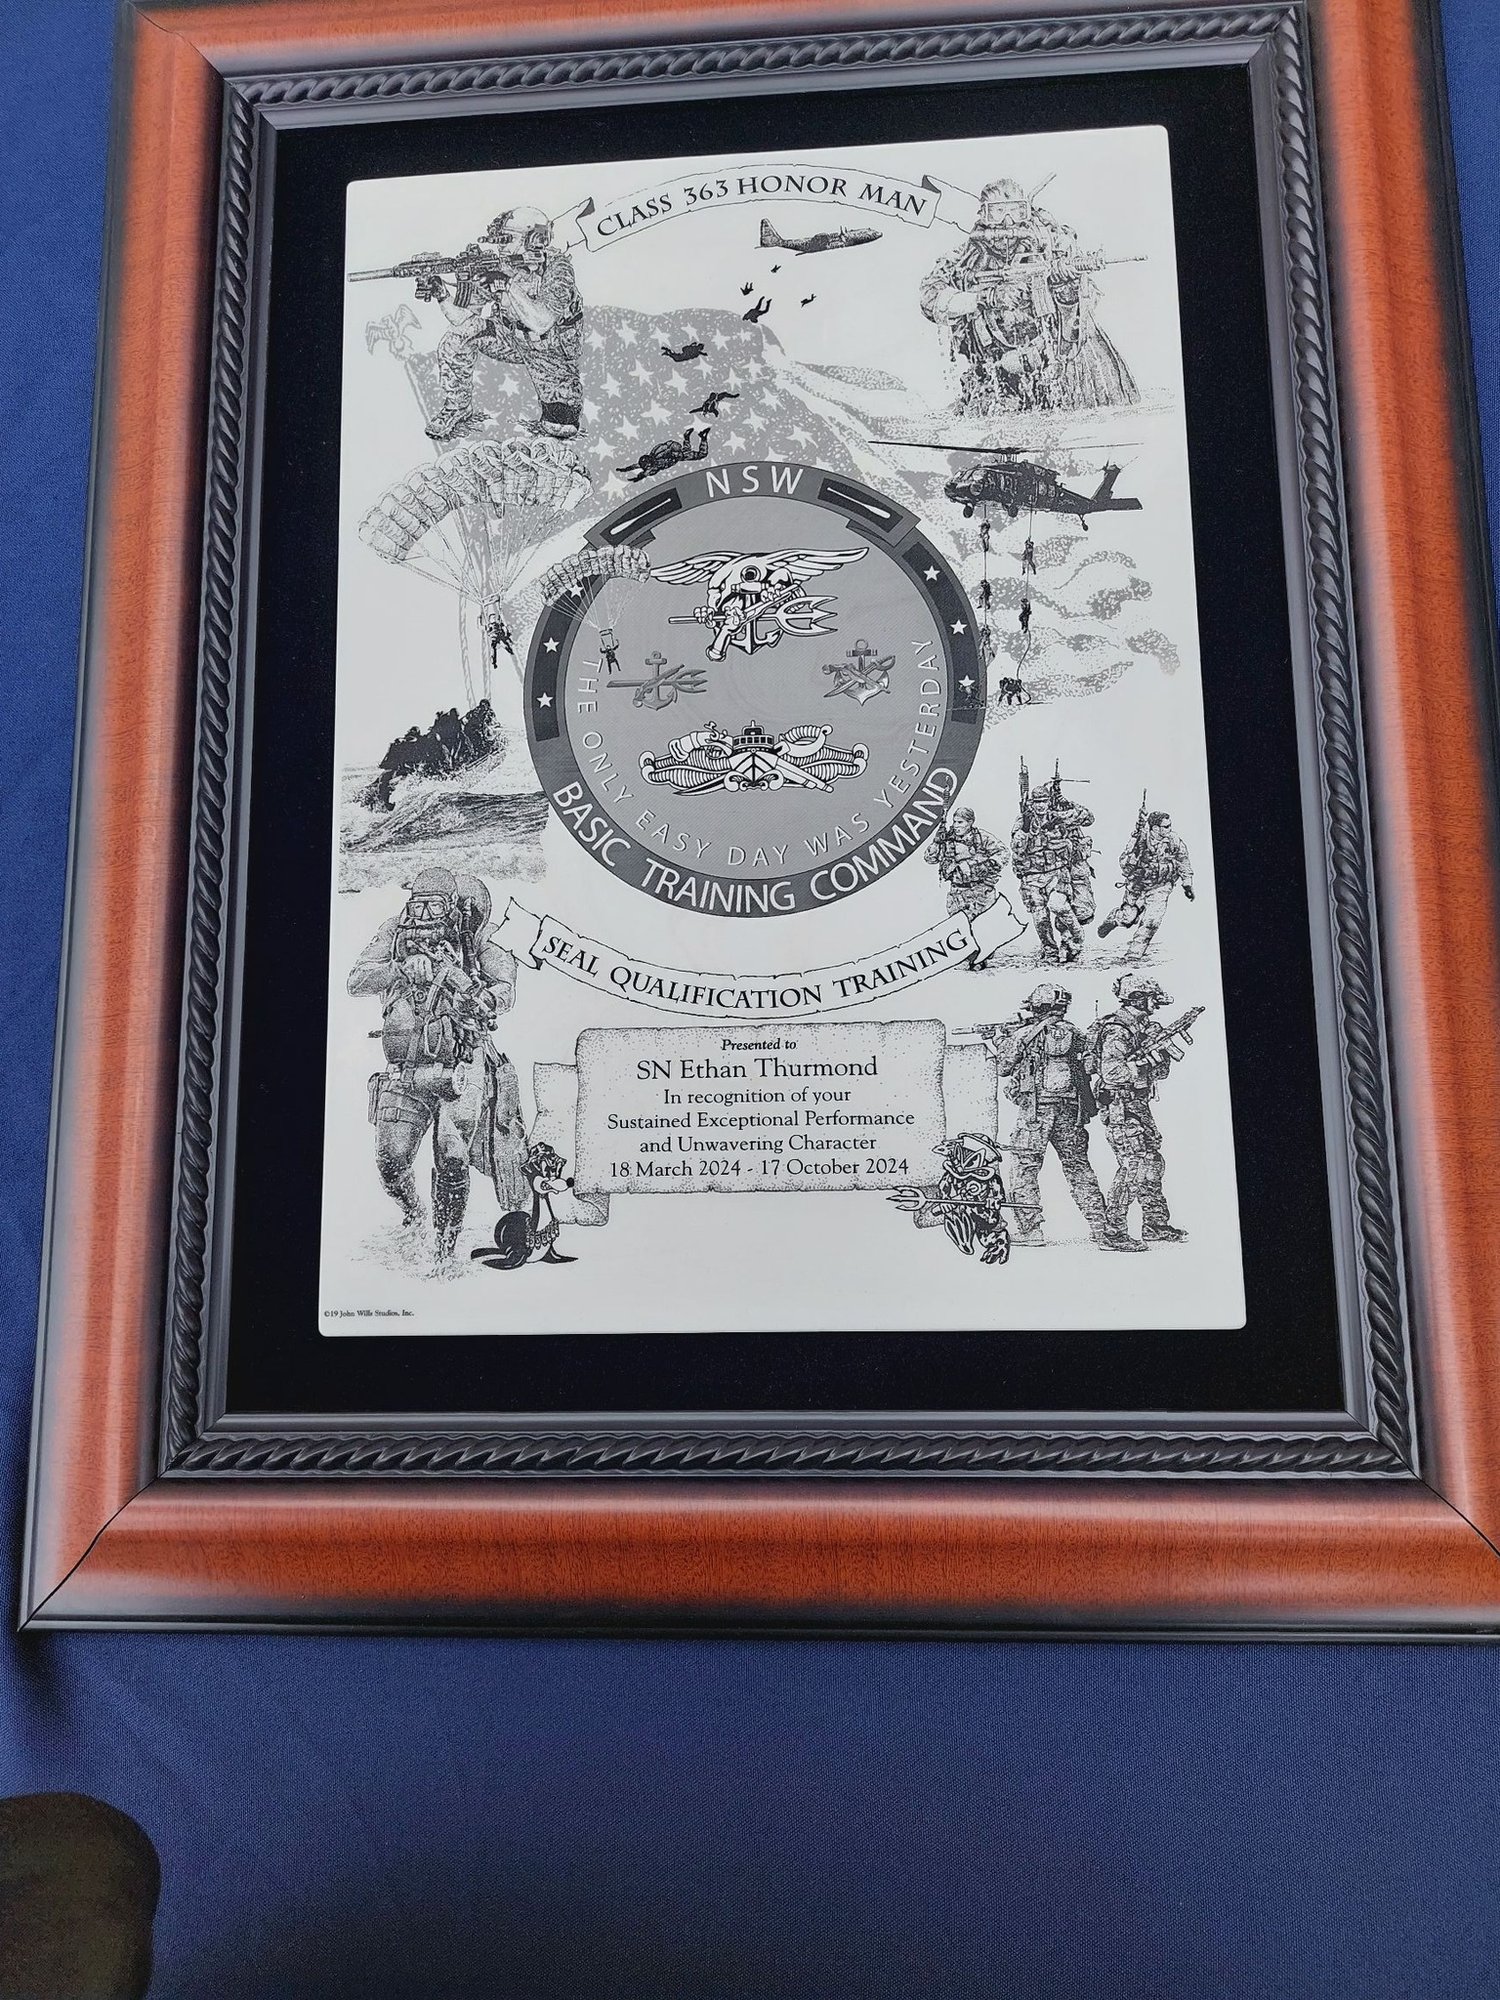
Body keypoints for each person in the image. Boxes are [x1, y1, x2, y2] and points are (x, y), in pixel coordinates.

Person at [348, 868, 528, 1262]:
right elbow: (356, 980)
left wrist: (474, 990)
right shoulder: (394, 932)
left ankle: (445, 1251)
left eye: (435, 906)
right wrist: (400, 968)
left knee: (451, 1154)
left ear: (454, 906)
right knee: (391, 1162)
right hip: (406, 1067)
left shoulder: (478, 936)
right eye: (418, 905)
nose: (425, 914)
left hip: (463, 1061)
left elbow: (505, 988)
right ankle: (413, 1210)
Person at [980, 986, 1140, 1251]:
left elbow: (1003, 1067)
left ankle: (1031, 1230)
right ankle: (1102, 1231)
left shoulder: (1024, 1034)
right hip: (1071, 1111)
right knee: (1079, 1168)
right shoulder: (1076, 1033)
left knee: (1024, 1168)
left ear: (1036, 1007)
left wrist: (999, 1040)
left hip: (1034, 1113)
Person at [424, 206, 584, 442]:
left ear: (535, 239)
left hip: (550, 348)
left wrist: (508, 284)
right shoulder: (499, 264)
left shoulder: (557, 268)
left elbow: (542, 322)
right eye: (499, 240)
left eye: (507, 239)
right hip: (509, 337)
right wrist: (441, 295)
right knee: (457, 337)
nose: (501, 246)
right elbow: (462, 319)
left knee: (560, 426)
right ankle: (457, 406)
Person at [1088, 972, 1192, 1244]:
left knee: (1152, 1162)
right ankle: (1113, 1232)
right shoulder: (1117, 1030)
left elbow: (1160, 1073)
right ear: (1137, 999)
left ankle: (1155, 1224)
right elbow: (1112, 1073)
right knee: (1133, 1165)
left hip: (1138, 1104)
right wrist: (1143, 1063)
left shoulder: (1143, 1027)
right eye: (1151, 999)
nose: (1155, 1004)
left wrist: (1159, 1056)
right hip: (1119, 1105)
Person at [1012, 765, 1095, 962]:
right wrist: (1025, 832)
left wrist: (1065, 802)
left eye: (1044, 801)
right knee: (1039, 915)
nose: (1040, 805)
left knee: (1058, 905)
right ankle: (1049, 950)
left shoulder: (1058, 817)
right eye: (1037, 802)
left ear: (1049, 802)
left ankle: (1077, 936)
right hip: (1032, 875)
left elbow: (1088, 817)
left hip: (1056, 873)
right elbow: (1016, 847)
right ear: (1031, 803)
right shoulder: (1023, 820)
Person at [1098, 808, 1194, 959]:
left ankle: (1134, 953)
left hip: (1161, 886)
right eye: (1166, 826)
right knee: (1128, 918)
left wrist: (1187, 884)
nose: (1170, 829)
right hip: (1138, 886)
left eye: (1170, 825)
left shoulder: (1174, 841)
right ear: (1155, 828)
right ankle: (1115, 919)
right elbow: (1124, 862)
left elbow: (1183, 861)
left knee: (1152, 921)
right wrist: (1135, 860)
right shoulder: (1140, 839)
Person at [925, 804, 1008, 967]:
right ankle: (972, 956)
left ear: (970, 822)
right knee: (960, 925)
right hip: (957, 890)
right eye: (955, 822)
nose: (956, 826)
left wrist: (979, 864)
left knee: (981, 925)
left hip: (980, 889)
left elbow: (1003, 853)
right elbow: (930, 859)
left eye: (960, 822)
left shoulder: (982, 837)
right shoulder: (947, 839)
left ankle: (981, 956)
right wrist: (936, 842)